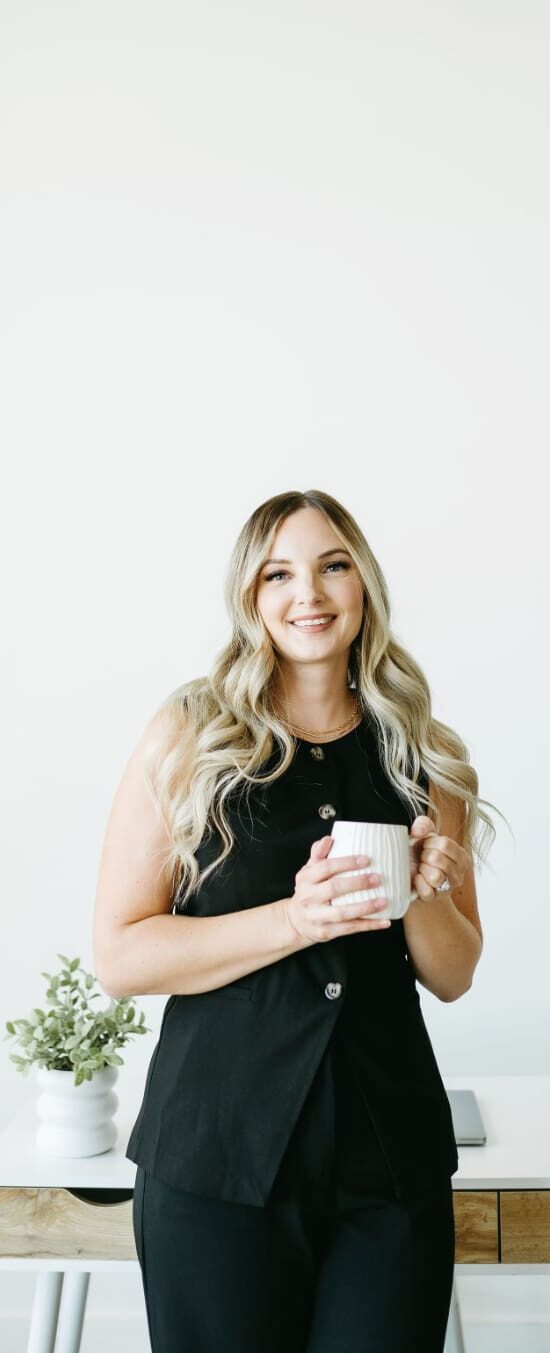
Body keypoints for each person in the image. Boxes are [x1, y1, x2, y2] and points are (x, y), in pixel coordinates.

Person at [93, 488, 498, 1353]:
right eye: (278, 573)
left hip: (389, 1163)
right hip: (215, 1159)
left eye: (331, 566)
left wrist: (427, 888)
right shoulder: (190, 734)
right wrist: (295, 919)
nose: (307, 593)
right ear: (250, 595)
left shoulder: (425, 752)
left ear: (364, 583)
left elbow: (455, 973)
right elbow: (121, 954)